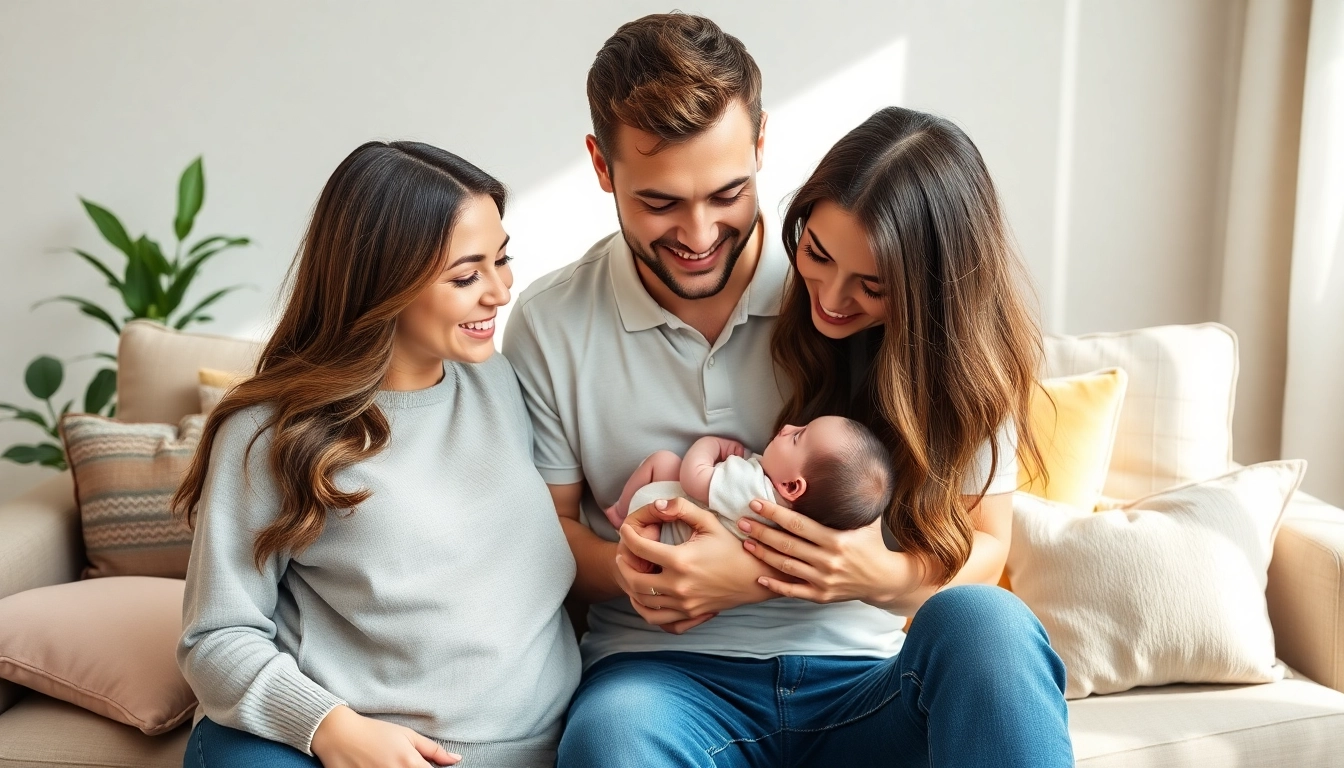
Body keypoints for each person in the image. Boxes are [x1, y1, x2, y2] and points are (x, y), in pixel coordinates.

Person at [503, 12, 1072, 767]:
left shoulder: (862, 287)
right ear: (603, 169)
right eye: (661, 202)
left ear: (763, 143)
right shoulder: (549, 322)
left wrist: (780, 578)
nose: (700, 234)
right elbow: (550, 539)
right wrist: (651, 575)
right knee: (611, 736)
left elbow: (984, 541)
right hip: (662, 685)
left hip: (862, 681)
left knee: (989, 624)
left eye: (727, 193)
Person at [173, 141, 580, 768]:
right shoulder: (270, 433)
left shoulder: (496, 381)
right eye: (467, 276)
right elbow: (216, 637)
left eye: (502, 260)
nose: (500, 292)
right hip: (346, 747)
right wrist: (335, 731)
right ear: (382, 286)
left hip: (531, 743)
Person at [604, 415, 894, 545]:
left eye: (796, 437)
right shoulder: (792, 515)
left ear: (791, 486)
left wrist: (710, 445)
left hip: (664, 524)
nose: (787, 427)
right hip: (688, 536)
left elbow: (694, 479)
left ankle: (620, 513)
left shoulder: (756, 491)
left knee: (664, 461)